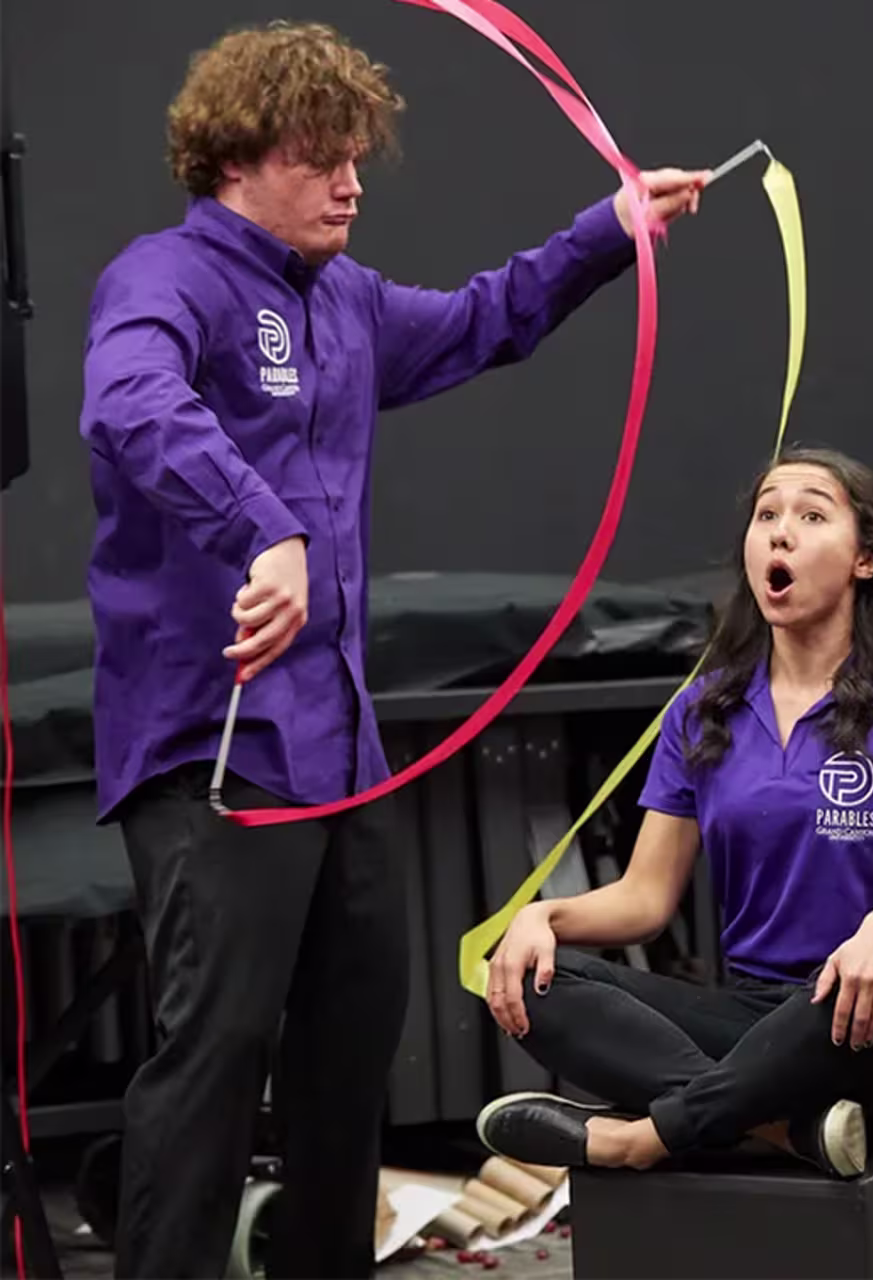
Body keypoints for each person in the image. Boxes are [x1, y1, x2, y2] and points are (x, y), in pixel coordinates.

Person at [81, 20, 707, 1279]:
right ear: (238, 158)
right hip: (218, 750)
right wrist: (265, 529)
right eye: (324, 157)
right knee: (212, 1061)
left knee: (351, 1055)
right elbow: (129, 401)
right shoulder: (165, 278)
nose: (353, 182)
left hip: (343, 752)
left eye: (359, 157)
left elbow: (489, 319)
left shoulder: (349, 299)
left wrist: (610, 229)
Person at [475, 447, 873, 1179]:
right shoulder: (701, 709)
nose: (781, 532)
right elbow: (644, 900)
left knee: (859, 998)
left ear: (864, 560)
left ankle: (642, 1138)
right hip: (749, 1022)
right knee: (531, 979)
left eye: (811, 515)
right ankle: (780, 1130)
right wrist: (540, 918)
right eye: (767, 515)